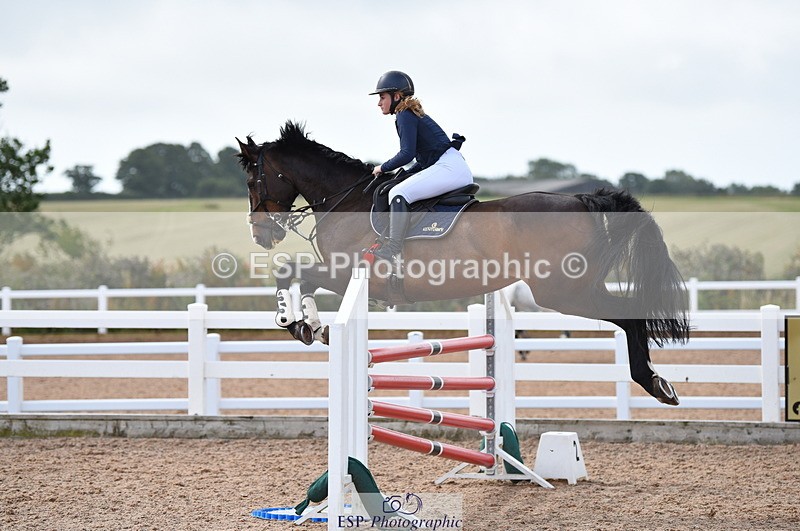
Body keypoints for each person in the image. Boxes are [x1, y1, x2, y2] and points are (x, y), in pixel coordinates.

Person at [370, 70, 473, 262]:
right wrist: (406, 173)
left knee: (397, 194)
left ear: (396, 96)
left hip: (448, 168)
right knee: (401, 187)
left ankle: (393, 248)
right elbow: (421, 160)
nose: (378, 102)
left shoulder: (404, 115)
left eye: (382, 97)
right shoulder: (409, 113)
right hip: (452, 166)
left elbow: (406, 154)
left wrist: (382, 168)